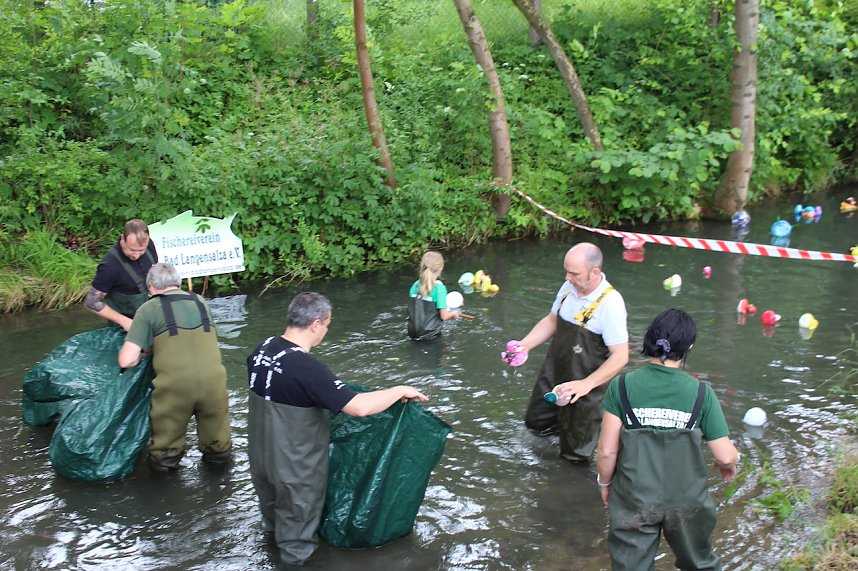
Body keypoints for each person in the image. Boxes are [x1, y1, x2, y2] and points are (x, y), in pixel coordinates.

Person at [246, 291, 429, 566]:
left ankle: (271, 557)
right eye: (328, 324)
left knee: (272, 525)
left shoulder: (262, 350)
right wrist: (399, 390)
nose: (326, 331)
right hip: (295, 470)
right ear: (316, 324)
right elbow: (358, 407)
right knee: (297, 545)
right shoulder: (307, 368)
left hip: (261, 461)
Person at [596, 309, 739, 571]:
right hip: (687, 501)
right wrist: (729, 465)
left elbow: (606, 451)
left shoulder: (622, 386)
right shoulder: (701, 393)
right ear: (689, 347)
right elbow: (725, 456)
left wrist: (605, 483)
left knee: (631, 565)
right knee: (699, 564)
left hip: (635, 498)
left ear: (648, 340)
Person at [512, 242, 629, 462]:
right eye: (566, 271)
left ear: (594, 273)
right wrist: (525, 344)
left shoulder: (611, 304)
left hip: (586, 389)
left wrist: (585, 385)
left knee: (575, 454)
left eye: (574, 273)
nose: (567, 277)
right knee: (536, 423)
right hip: (554, 374)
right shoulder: (569, 288)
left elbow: (621, 356)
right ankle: (539, 469)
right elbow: (552, 320)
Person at [117, 263, 231, 471]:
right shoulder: (200, 302)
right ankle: (220, 491)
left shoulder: (149, 308)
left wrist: (143, 350)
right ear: (177, 284)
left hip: (175, 389)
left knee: (165, 457)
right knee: (218, 450)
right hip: (215, 383)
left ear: (151, 287)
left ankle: (166, 495)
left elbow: (126, 360)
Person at [85, 219, 158, 331]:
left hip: (150, 314)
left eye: (141, 250)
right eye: (132, 250)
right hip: (124, 325)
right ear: (122, 239)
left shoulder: (148, 244)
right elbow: (91, 302)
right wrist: (124, 322)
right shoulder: (109, 266)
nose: (136, 255)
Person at [407, 251, 461, 340]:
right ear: (441, 268)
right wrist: (453, 314)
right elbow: (444, 316)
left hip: (412, 332)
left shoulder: (415, 285)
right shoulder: (439, 288)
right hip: (431, 334)